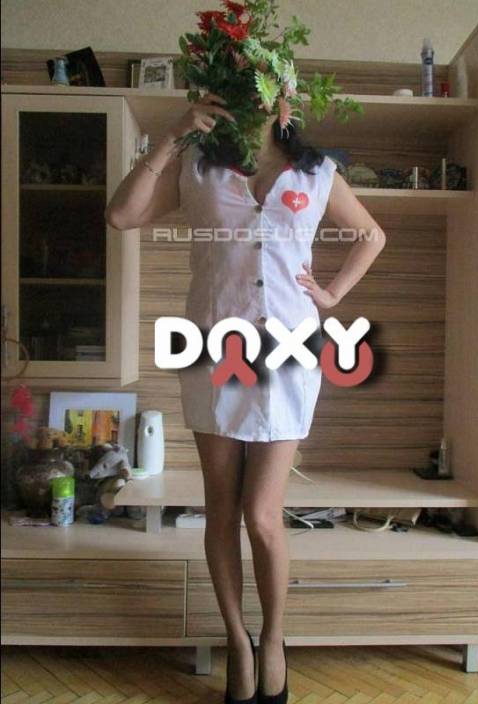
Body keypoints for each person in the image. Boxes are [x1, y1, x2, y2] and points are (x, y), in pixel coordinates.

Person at [105, 92, 386, 703]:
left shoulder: (316, 172)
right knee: (222, 511)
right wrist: (174, 135)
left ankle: (273, 638)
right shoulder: (197, 166)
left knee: (261, 515)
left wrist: (332, 293)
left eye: (264, 89)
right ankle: (237, 641)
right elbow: (122, 215)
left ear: (284, 100)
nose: (253, 101)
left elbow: (370, 234)